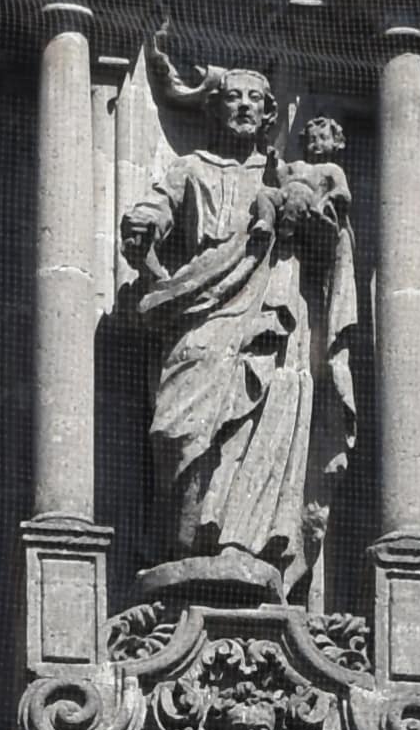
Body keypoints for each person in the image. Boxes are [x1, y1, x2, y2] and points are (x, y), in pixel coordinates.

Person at [120, 60, 358, 600]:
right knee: (179, 428)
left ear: (270, 113)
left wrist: (316, 221)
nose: (245, 106)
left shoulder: (284, 175)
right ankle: (185, 542)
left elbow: (328, 239)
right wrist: (144, 227)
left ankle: (245, 546)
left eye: (255, 98)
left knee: (268, 415)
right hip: (201, 309)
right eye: (234, 97)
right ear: (215, 108)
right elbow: (156, 209)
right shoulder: (190, 169)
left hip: (272, 313)